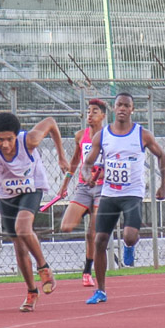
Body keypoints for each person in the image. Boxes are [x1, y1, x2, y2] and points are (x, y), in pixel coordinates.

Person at [0, 112, 68, 312]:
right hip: (6, 195)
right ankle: (31, 292)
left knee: (23, 228)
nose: (6, 145)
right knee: (18, 244)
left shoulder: (30, 140)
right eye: (1, 140)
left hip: (32, 188)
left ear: (17, 136)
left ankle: (44, 268)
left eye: (10, 139)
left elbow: (51, 122)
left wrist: (61, 156)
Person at [81, 92, 165, 304]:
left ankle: (130, 246)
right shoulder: (102, 136)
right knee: (100, 240)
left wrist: (164, 185)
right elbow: (87, 164)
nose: (122, 108)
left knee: (129, 235)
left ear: (132, 109)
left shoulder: (142, 134)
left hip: (132, 193)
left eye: (126, 105)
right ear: (113, 108)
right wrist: (87, 178)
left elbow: (162, 156)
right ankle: (100, 290)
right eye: (119, 104)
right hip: (109, 193)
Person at [55, 98, 108, 288]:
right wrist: (64, 185)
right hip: (84, 187)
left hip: (103, 187)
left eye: (95, 111)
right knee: (66, 226)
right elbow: (75, 162)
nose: (90, 114)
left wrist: (101, 174)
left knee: (92, 232)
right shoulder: (80, 135)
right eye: (88, 111)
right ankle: (86, 208)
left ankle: (87, 271)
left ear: (103, 115)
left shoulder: (109, 135)